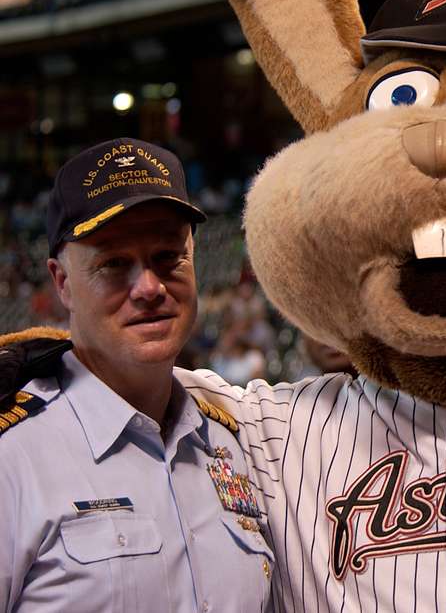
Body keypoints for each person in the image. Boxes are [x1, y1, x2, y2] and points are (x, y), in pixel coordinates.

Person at [0, 139, 274, 611]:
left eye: (169, 257)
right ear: (61, 282)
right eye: (113, 264)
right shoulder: (14, 458)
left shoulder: (241, 437)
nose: (149, 287)